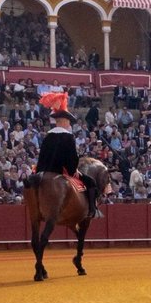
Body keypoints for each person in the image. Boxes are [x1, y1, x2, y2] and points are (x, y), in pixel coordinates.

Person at [36, 91, 99, 219]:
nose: (69, 124)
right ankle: (92, 209)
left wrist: (39, 171)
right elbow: (72, 159)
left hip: (45, 170)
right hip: (63, 171)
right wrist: (73, 169)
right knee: (91, 182)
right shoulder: (69, 137)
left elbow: (42, 156)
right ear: (64, 121)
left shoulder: (48, 136)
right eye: (68, 121)